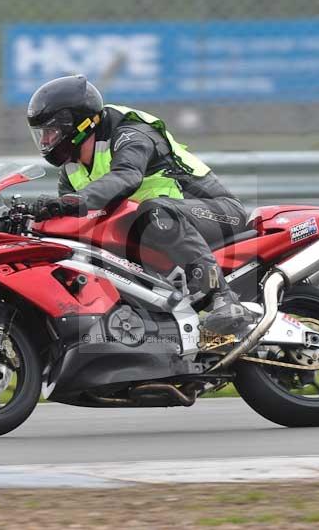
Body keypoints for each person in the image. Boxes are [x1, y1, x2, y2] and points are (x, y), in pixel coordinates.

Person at [26, 75, 255, 335]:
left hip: (218, 213)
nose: (45, 142)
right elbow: (70, 222)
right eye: (42, 134)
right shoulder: (72, 170)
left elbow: (127, 175)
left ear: (77, 125)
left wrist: (74, 201)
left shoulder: (130, 132)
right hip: (156, 231)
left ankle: (222, 298)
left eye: (51, 132)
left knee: (155, 211)